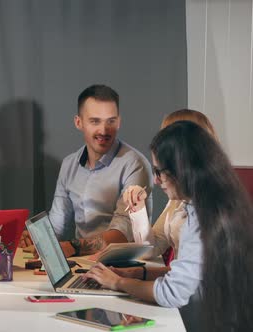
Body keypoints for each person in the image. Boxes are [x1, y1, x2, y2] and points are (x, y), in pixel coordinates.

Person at [84, 121, 253, 331]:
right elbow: (194, 274)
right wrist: (139, 274)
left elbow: (172, 293)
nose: (155, 180)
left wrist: (117, 283)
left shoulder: (202, 218)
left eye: (158, 171)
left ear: (181, 169)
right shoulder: (218, 203)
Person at [21, 84, 152, 257]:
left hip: (125, 266)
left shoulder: (135, 164)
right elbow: (57, 225)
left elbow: (123, 234)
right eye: (95, 121)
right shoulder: (69, 164)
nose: (104, 130)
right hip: (82, 263)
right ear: (78, 122)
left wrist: (72, 247)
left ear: (119, 121)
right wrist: (36, 237)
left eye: (110, 121)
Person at [124, 109, 218, 261]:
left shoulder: (210, 204)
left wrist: (126, 281)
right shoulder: (179, 196)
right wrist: (139, 208)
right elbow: (150, 249)